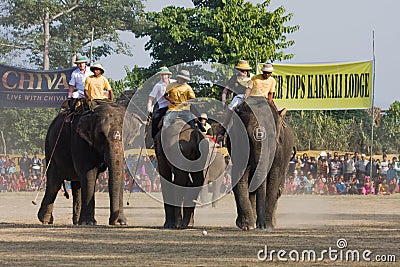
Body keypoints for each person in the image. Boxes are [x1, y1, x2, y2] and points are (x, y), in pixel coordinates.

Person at [218, 60, 253, 136]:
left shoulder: (250, 79)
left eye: (245, 71)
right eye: (242, 71)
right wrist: (223, 100)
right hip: (238, 97)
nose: (244, 72)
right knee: (231, 107)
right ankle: (224, 127)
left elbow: (248, 89)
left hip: (248, 98)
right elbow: (226, 89)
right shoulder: (234, 78)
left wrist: (246, 96)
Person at [147, 66, 174, 139]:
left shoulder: (175, 82)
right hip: (164, 107)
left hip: (176, 106)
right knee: (155, 120)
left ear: (168, 75)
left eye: (165, 74)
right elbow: (151, 98)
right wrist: (149, 108)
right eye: (161, 75)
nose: (163, 76)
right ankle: (155, 139)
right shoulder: (158, 86)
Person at [66, 54, 93, 121]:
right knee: (74, 94)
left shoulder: (91, 71)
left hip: (91, 92)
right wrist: (69, 97)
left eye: (82, 63)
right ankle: (71, 113)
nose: (81, 65)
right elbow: (72, 86)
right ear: (77, 64)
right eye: (79, 64)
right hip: (81, 92)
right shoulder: (75, 73)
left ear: (85, 63)